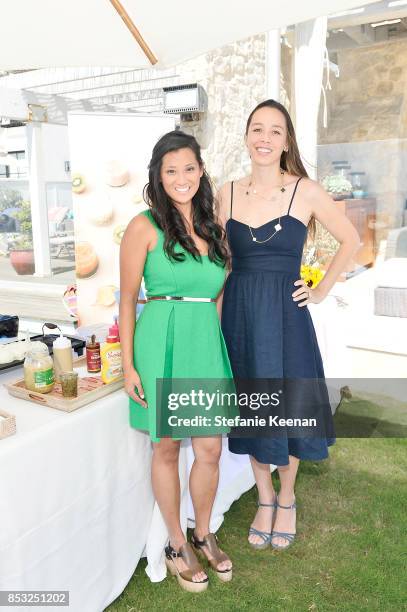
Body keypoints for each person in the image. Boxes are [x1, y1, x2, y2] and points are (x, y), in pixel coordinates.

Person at [217, 100, 360, 551]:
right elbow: (222, 264)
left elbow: (351, 239)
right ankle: (264, 498)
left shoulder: (307, 191)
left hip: (287, 315)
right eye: (256, 128)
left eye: (274, 131)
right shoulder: (226, 193)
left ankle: (289, 497)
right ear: (246, 136)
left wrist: (318, 291)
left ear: (286, 141)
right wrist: (215, 319)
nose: (264, 138)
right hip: (240, 314)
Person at [119, 130, 233, 592]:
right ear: (158, 176)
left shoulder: (214, 227)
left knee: (209, 448)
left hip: (204, 342)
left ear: (201, 171)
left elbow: (218, 294)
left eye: (189, 168)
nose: (181, 178)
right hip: (159, 343)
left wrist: (217, 344)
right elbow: (127, 301)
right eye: (170, 171)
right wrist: (129, 366)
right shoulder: (143, 226)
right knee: (166, 447)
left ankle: (202, 532)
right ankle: (173, 543)